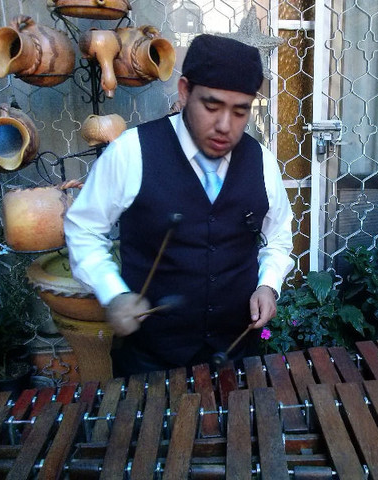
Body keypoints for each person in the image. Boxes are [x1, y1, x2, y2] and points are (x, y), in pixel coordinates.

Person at [64, 34, 294, 376]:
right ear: (184, 91)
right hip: (150, 360)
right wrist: (113, 293)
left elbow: (278, 237)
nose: (224, 126)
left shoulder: (261, 162)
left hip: (238, 353)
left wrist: (268, 284)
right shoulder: (132, 152)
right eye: (212, 106)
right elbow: (84, 229)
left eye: (240, 111)